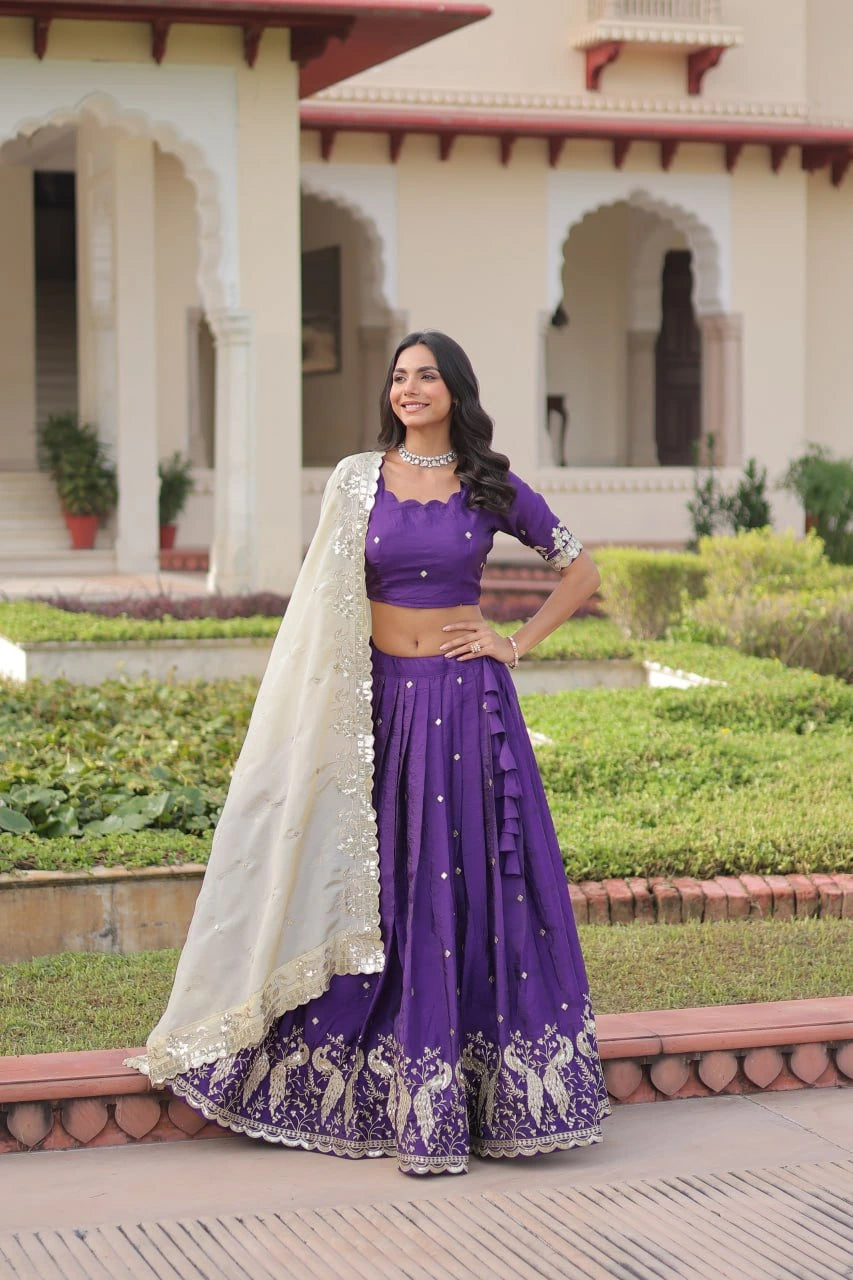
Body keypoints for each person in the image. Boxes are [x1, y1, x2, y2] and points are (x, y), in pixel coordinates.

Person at [127, 330, 610, 1175]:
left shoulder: (489, 484)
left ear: (455, 391)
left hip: (465, 707)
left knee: (465, 883)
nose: (408, 389)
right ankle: (380, 1078)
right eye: (398, 377)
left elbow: (581, 571)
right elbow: (320, 605)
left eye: (426, 377)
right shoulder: (358, 480)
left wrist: (514, 643)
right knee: (381, 882)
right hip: (378, 707)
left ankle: (470, 1093)